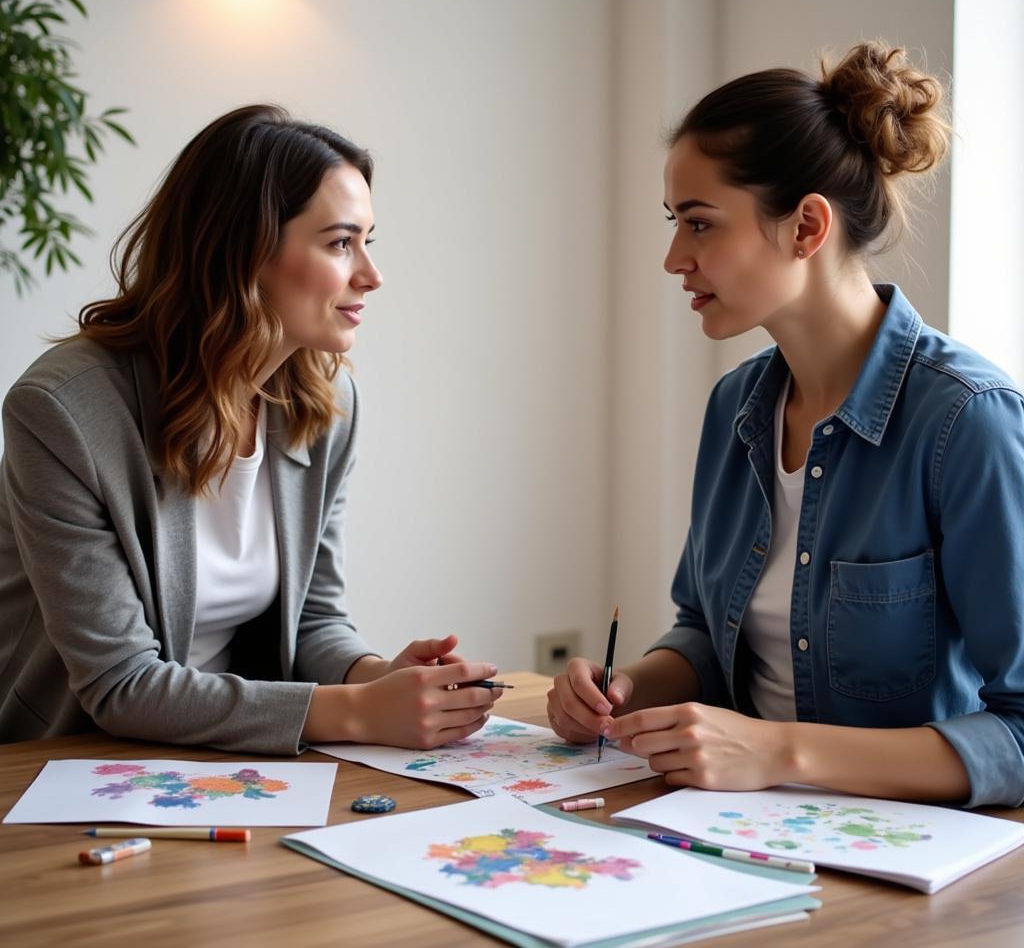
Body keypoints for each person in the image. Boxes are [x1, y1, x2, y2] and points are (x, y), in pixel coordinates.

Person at [548, 42, 1024, 808]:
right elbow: (705, 631)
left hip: (898, 873)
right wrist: (627, 686)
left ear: (806, 228)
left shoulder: (968, 422)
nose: (674, 257)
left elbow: (1020, 731)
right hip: (731, 827)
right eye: (675, 223)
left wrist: (777, 751)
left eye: (699, 225)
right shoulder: (736, 406)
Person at [0, 104, 501, 753]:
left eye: (367, 241)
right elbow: (120, 683)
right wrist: (353, 712)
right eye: (340, 242)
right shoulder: (64, 411)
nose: (371, 276)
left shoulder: (323, 400)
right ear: (244, 250)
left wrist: (375, 678)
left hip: (238, 757)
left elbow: (313, 619)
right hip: (69, 762)